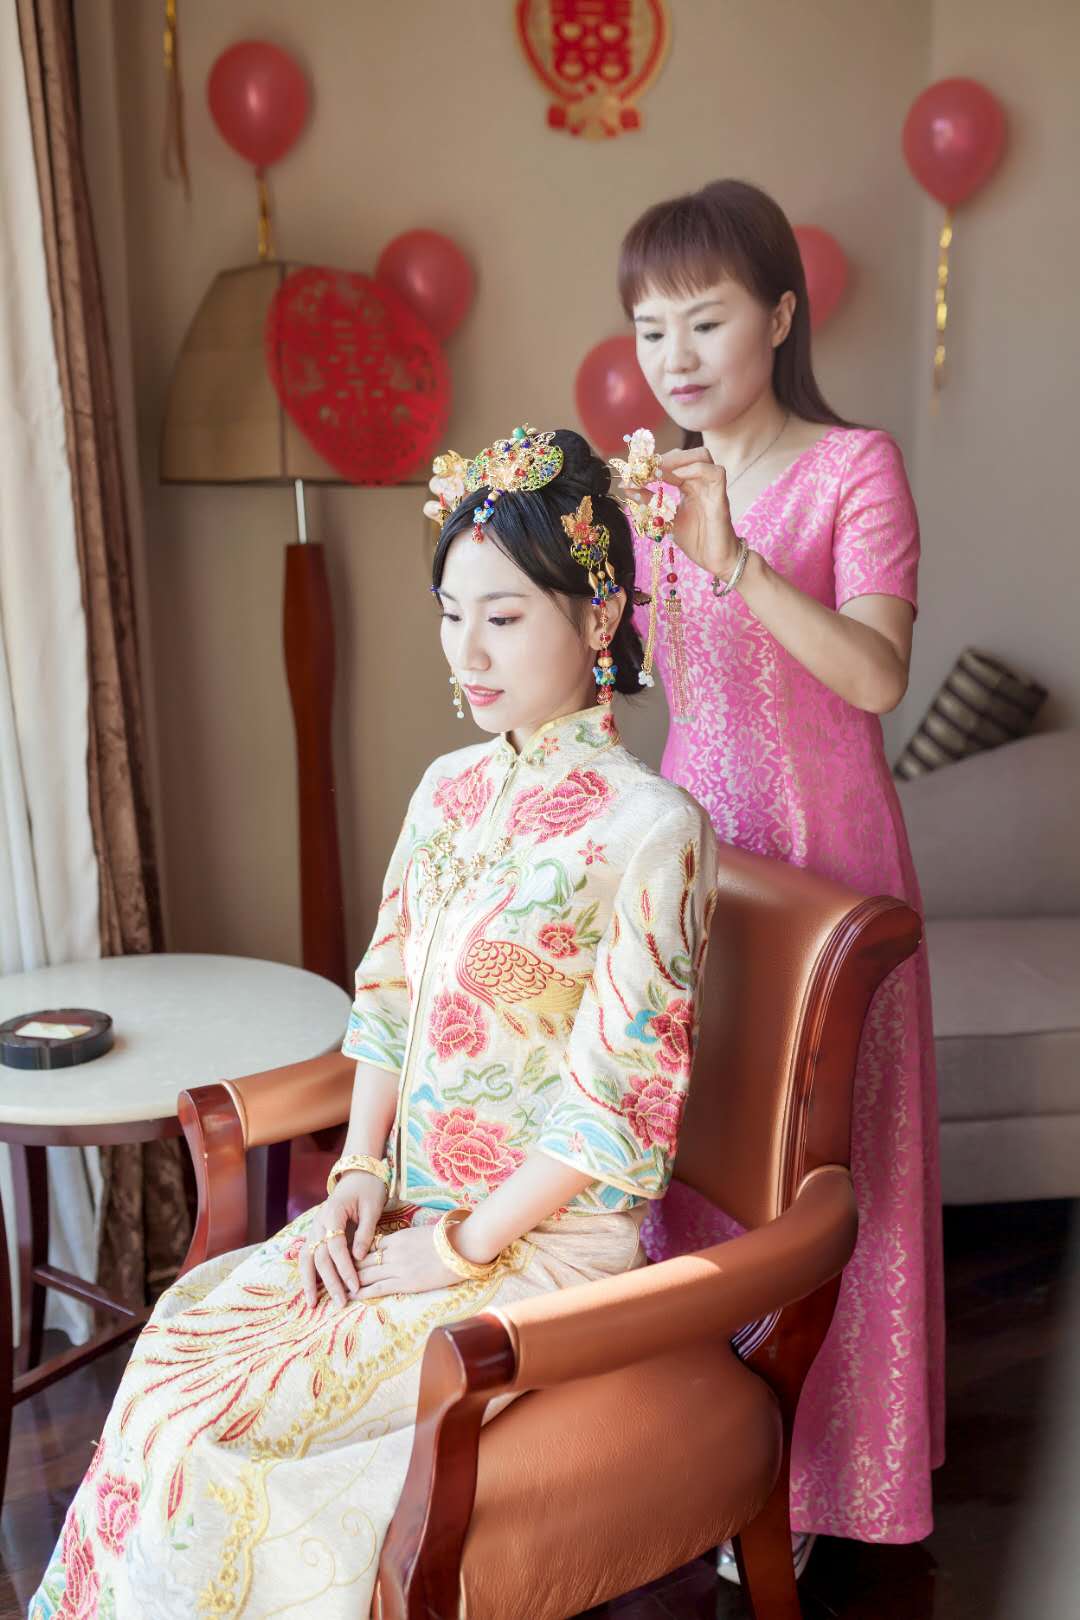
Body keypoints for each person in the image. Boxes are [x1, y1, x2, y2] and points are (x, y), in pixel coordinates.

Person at [30, 427, 718, 1620]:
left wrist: (456, 1251)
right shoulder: (447, 790)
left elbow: (616, 1115)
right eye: (451, 613)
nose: (467, 650)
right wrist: (356, 1171)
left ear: (599, 617)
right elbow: (390, 999)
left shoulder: (653, 831)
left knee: (232, 1441)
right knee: (179, 1352)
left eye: (503, 616)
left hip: (541, 1251)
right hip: (403, 1206)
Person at [615, 179, 944, 1567]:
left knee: (826, 1166)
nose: (675, 357)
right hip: (702, 862)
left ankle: (821, 1481)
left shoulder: (855, 466)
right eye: (650, 330)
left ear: (782, 317)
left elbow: (875, 675)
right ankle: (705, 1460)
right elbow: (659, 694)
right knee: (693, 1153)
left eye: (705, 319)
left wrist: (734, 558)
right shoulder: (653, 489)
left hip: (829, 861)